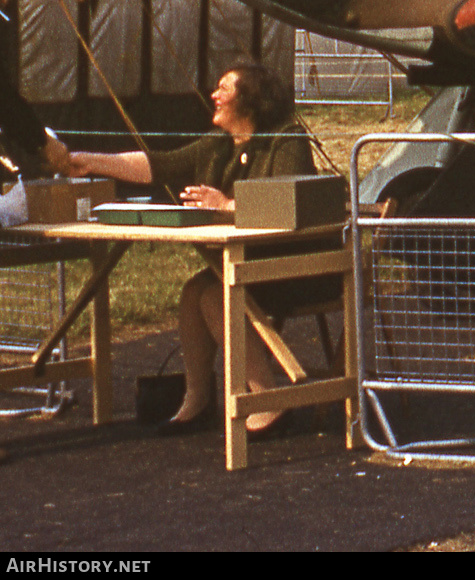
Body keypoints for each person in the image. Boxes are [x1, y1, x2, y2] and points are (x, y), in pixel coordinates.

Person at [73, 62, 318, 435]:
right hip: (245, 263)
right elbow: (158, 165)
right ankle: (198, 399)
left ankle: (269, 400)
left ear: (250, 100)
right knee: (193, 292)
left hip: (298, 266)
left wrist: (226, 205)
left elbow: (289, 199)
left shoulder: (287, 140)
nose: (214, 96)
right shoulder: (218, 145)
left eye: (224, 88)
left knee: (214, 297)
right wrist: (91, 161)